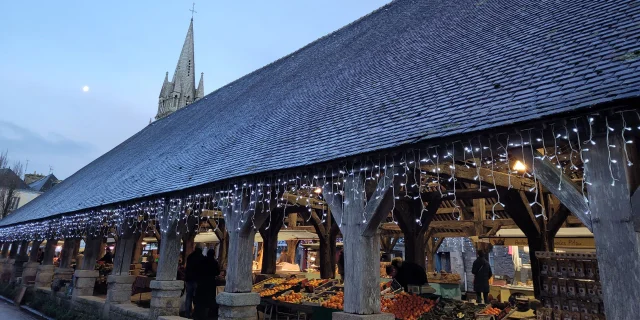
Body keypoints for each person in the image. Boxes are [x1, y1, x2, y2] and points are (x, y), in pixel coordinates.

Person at [194, 249, 220, 320]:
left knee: (201, 298)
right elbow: (217, 272)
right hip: (210, 282)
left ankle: (199, 314)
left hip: (202, 282)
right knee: (209, 298)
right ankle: (208, 314)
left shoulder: (202, 261)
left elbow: (198, 270)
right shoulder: (214, 262)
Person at [184, 247, 204, 318]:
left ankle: (187, 313)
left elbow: (187, 268)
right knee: (196, 297)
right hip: (197, 280)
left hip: (189, 279)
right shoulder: (201, 258)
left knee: (188, 297)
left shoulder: (190, 257)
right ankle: (195, 313)